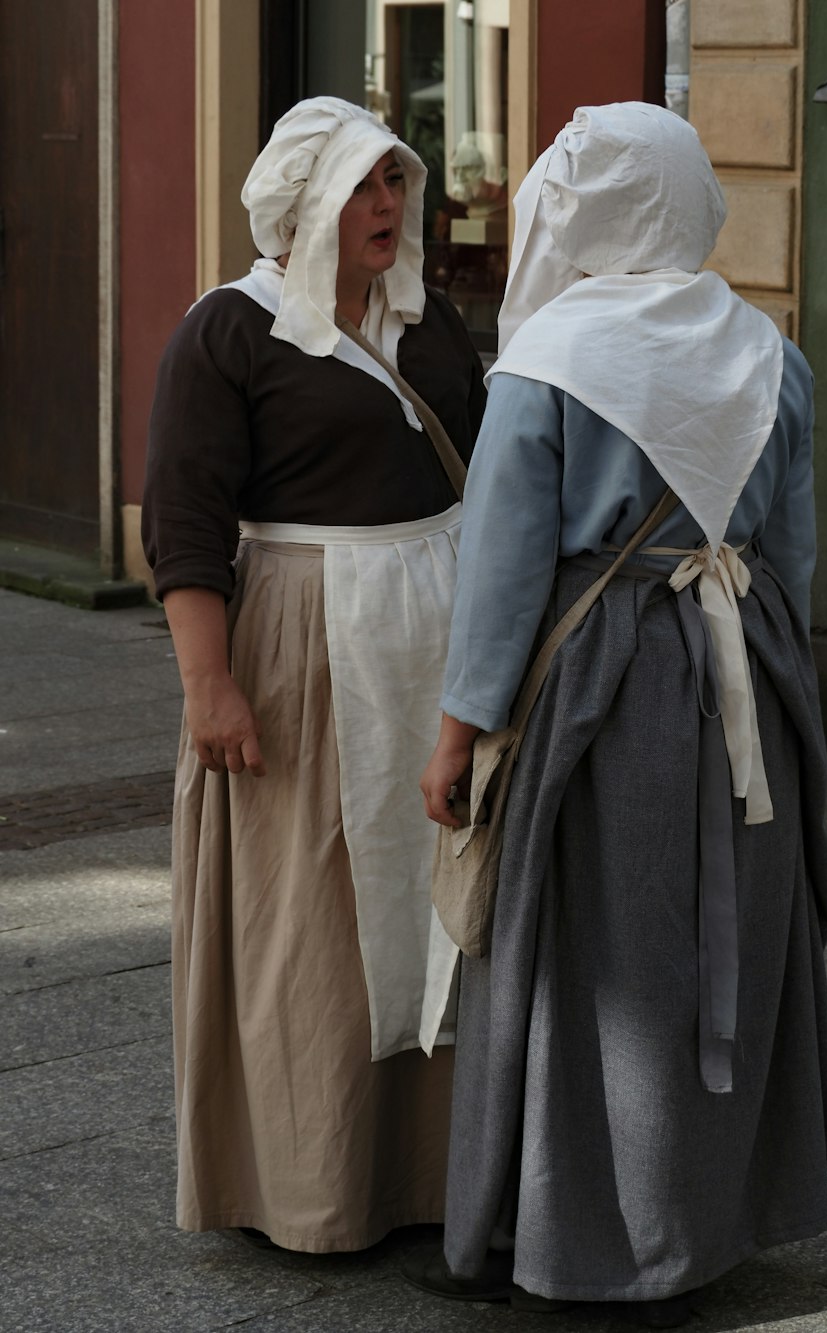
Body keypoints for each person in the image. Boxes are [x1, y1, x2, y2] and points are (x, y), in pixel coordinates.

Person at [413, 102, 827, 1327]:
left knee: (603, 958)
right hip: (744, 674)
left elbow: (501, 573)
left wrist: (459, 731)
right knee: (724, 942)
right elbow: (794, 561)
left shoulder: (551, 362)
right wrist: (787, 700)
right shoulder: (771, 352)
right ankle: (710, 1216)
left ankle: (590, 1234)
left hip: (604, 690)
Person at [142, 97, 486, 1254]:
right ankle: (311, 1184)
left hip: (433, 628)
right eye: (363, 188)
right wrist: (210, 684)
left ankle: (433, 1172)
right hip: (302, 638)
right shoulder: (228, 333)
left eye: (396, 182)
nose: (389, 207)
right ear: (305, 205)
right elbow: (186, 523)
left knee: (439, 898)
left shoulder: (426, 319)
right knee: (315, 913)